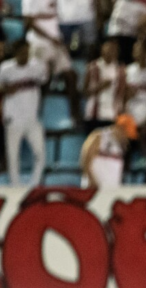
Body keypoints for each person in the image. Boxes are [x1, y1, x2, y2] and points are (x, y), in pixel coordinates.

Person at [0, 40, 48, 188]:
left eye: (27, 51)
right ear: (16, 53)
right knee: (13, 156)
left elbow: (45, 80)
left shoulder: (37, 66)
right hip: (13, 118)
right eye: (22, 52)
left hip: (32, 119)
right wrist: (7, 90)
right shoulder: (5, 68)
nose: (25, 54)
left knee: (40, 154)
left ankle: (34, 184)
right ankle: (15, 186)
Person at [23, 0, 80, 122]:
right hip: (38, 41)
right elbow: (28, 23)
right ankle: (36, 113)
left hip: (56, 41)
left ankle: (75, 116)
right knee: (44, 76)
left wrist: (63, 40)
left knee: (71, 75)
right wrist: (50, 38)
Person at [80, 114, 137, 188]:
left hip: (110, 189)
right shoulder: (100, 136)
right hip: (94, 186)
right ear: (121, 128)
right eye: (127, 134)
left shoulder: (121, 146)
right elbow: (86, 158)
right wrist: (91, 179)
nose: (127, 139)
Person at [84, 38, 126, 134]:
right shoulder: (92, 67)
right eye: (108, 48)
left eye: (114, 49)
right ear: (102, 49)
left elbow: (123, 94)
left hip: (113, 115)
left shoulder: (121, 71)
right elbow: (84, 92)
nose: (111, 51)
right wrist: (99, 87)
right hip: (94, 114)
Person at [125, 38, 146, 131]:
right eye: (135, 50)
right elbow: (125, 94)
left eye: (139, 49)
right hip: (132, 109)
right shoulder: (128, 70)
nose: (136, 52)